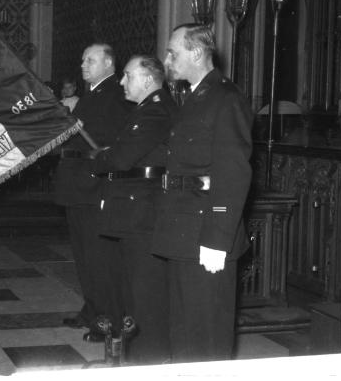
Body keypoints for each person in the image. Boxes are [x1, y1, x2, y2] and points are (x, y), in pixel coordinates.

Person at [152, 24, 253, 362]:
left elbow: (233, 173)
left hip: (205, 232)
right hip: (184, 230)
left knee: (206, 334)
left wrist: (217, 238)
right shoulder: (195, 95)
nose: (167, 60)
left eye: (173, 52)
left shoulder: (225, 97)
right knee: (184, 328)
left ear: (196, 52)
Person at [89, 55, 177, 365]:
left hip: (142, 214)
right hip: (131, 211)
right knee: (133, 291)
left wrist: (100, 158)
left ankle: (149, 361)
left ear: (149, 80)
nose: (122, 82)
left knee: (146, 292)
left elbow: (122, 159)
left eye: (128, 76)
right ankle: (139, 357)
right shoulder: (145, 109)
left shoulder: (155, 110)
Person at [53, 43, 131, 341]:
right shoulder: (92, 94)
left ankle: (108, 319)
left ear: (109, 63)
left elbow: (108, 139)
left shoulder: (114, 94)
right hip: (78, 185)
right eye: (83, 59)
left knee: (99, 258)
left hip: (93, 185)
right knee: (84, 255)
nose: (83, 64)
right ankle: (92, 309)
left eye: (91, 60)